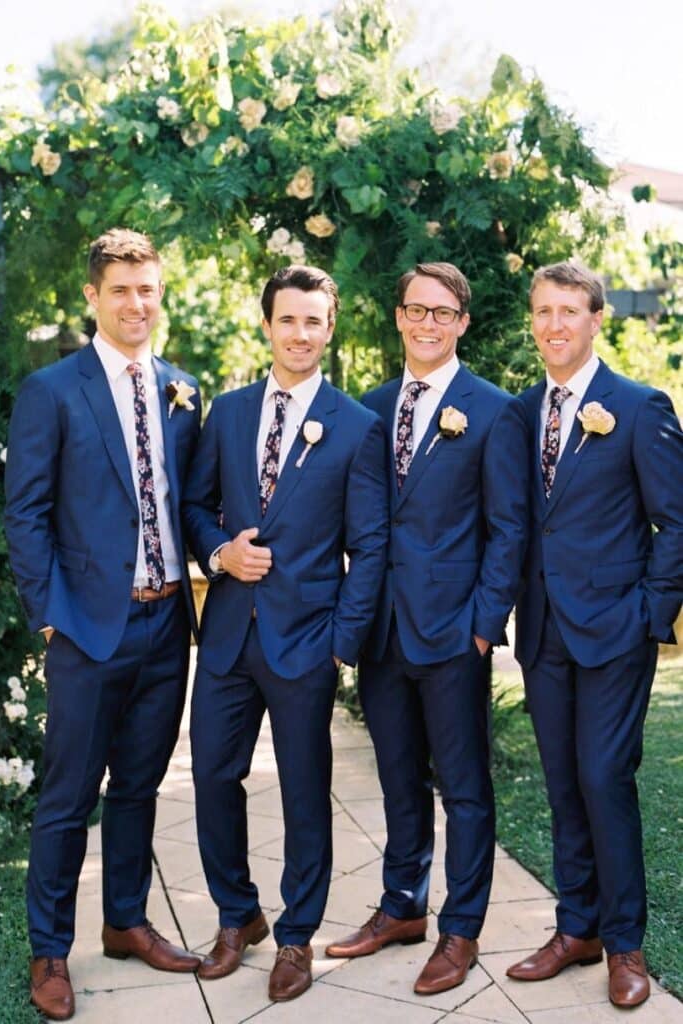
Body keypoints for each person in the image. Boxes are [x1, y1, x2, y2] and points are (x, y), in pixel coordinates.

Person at [4, 228, 202, 1021]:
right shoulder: (53, 390)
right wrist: (51, 619)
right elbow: (26, 514)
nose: (135, 303)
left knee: (139, 788)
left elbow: (186, 502)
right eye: (119, 290)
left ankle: (125, 921)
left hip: (164, 626)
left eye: (147, 288)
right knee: (67, 797)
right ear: (91, 297)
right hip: (88, 628)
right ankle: (49, 951)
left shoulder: (183, 389)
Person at [182, 264, 389, 1002]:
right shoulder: (229, 413)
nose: (299, 333)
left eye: (313, 321)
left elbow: (369, 548)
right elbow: (196, 506)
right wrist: (219, 552)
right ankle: (238, 917)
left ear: (328, 328)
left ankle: (297, 935)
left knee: (305, 792)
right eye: (287, 319)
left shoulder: (358, 427)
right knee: (212, 777)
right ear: (266, 324)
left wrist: (340, 642)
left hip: (307, 640)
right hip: (230, 635)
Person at [325, 262, 529, 996]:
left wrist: (482, 627)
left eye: (442, 313)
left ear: (462, 323)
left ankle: (460, 928)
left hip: (452, 633)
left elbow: (507, 529)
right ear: (398, 316)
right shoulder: (370, 408)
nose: (428, 323)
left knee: (465, 789)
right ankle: (401, 906)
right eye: (416, 310)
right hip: (382, 631)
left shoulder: (494, 409)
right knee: (396, 780)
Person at [505, 261, 682, 1007]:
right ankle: (573, 927)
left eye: (568, 311)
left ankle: (624, 944)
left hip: (615, 630)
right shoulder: (519, 413)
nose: (553, 325)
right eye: (542, 311)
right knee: (560, 783)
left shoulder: (638, 407)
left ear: (595, 320)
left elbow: (674, 521)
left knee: (603, 780)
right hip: (542, 632)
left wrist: (650, 613)